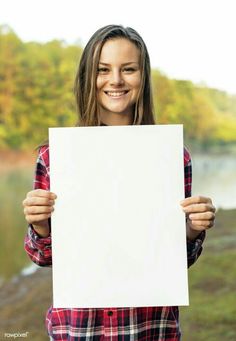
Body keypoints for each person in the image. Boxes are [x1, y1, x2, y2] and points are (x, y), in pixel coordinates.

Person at [23, 25, 215, 341]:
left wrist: (193, 228)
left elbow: (177, 259)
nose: (115, 80)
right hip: (79, 330)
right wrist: (41, 225)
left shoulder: (171, 157)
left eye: (128, 69)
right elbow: (43, 257)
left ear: (143, 77)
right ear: (88, 78)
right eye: (103, 70)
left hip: (150, 329)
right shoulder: (56, 157)